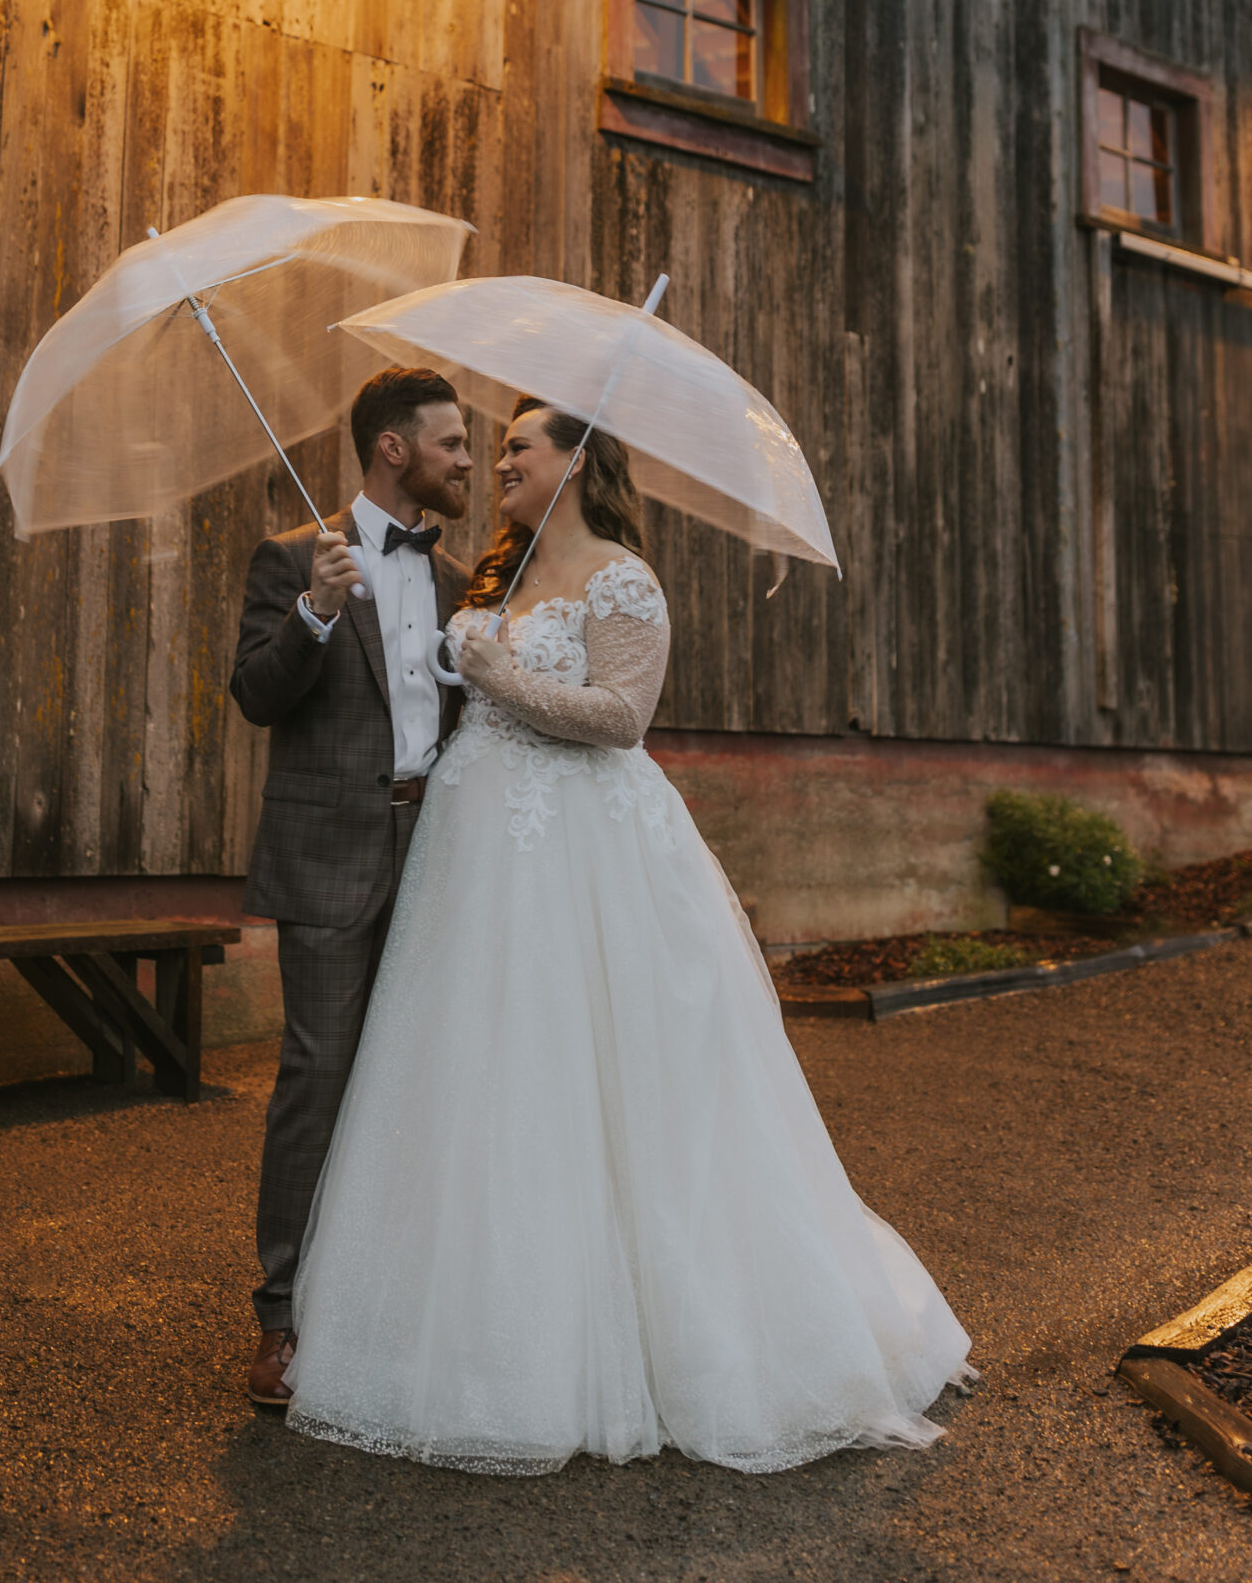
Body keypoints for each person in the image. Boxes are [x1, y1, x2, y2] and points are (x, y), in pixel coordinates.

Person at [282, 399, 974, 1473]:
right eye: (491, 443)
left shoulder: (622, 576)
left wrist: (495, 670)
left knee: (604, 1076)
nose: (497, 458)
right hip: (475, 864)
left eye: (517, 443)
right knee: (481, 1083)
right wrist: (477, 648)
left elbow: (622, 716)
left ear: (577, 461)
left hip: (580, 855)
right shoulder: (498, 575)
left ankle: (653, 1342)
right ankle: (465, 1331)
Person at [229, 366, 473, 1409]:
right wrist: (317, 613)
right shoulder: (293, 558)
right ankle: (282, 1316)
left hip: (442, 849)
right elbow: (255, 693)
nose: (467, 458)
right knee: (318, 1075)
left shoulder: (465, 581)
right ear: (392, 449)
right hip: (330, 849)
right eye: (453, 441)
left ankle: (392, 1300)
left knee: (422, 1083)